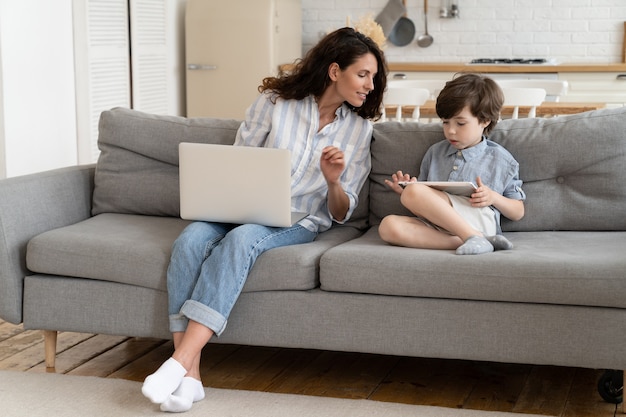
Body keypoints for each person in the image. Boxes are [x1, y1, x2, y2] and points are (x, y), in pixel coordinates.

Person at [141, 27, 387, 413]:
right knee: (190, 239)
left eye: (374, 77)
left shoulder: (359, 129)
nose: (371, 86)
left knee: (242, 241)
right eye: (363, 74)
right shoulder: (276, 103)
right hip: (240, 205)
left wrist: (333, 181)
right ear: (335, 70)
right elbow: (240, 161)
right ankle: (192, 377)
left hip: (299, 219)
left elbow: (341, 212)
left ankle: (176, 365)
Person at [378, 73, 525, 255]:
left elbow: (518, 212)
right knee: (388, 226)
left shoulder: (501, 159)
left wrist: (493, 197)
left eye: (461, 123)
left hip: (477, 217)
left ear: (485, 120)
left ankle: (473, 235)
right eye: (445, 123)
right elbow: (423, 199)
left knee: (414, 192)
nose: (451, 131)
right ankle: (477, 240)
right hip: (438, 224)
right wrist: (406, 190)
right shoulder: (435, 152)